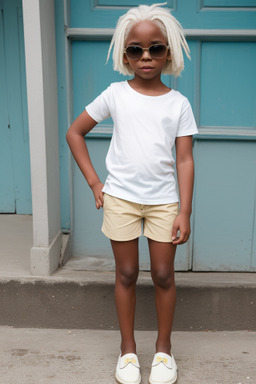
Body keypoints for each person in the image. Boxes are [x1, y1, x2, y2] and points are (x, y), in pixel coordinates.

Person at [66, 3, 198, 384]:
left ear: (168, 52)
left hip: (163, 203)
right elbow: (75, 133)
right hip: (121, 199)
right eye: (135, 49)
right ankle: (127, 352)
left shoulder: (178, 104)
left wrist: (184, 211)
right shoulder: (114, 95)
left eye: (155, 48)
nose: (145, 57)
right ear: (124, 54)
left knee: (162, 274)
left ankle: (163, 351)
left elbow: (185, 160)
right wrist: (95, 182)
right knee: (125, 272)